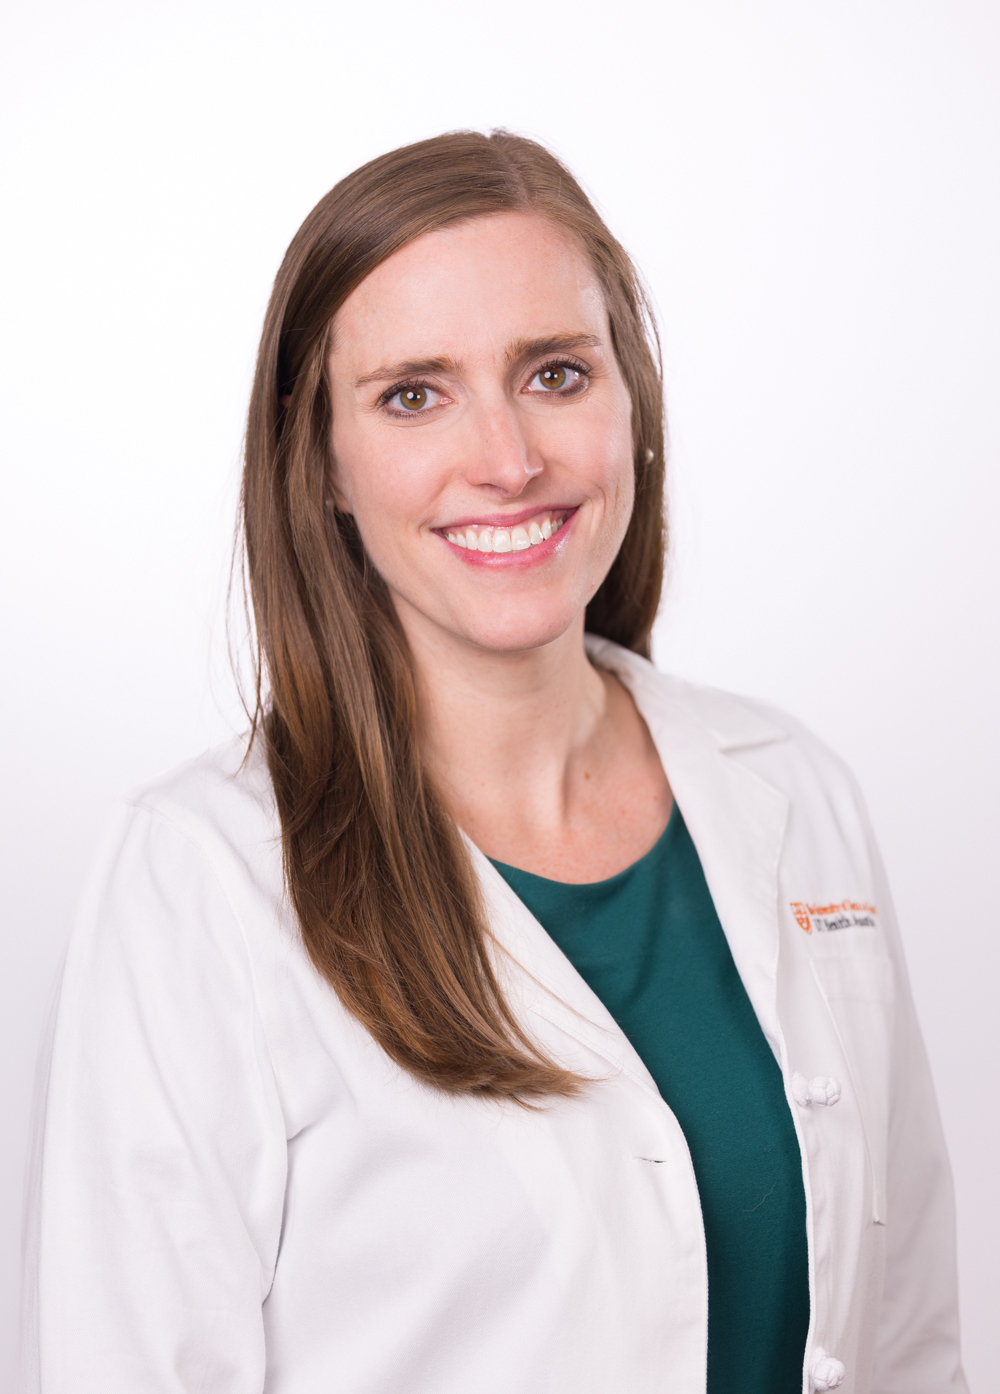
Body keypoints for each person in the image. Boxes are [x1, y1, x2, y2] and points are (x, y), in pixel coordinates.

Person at [21, 131, 966, 1394]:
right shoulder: (199, 881)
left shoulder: (793, 789)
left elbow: (907, 1346)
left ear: (631, 404)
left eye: (556, 373)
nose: (509, 459)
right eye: (414, 393)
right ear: (326, 469)